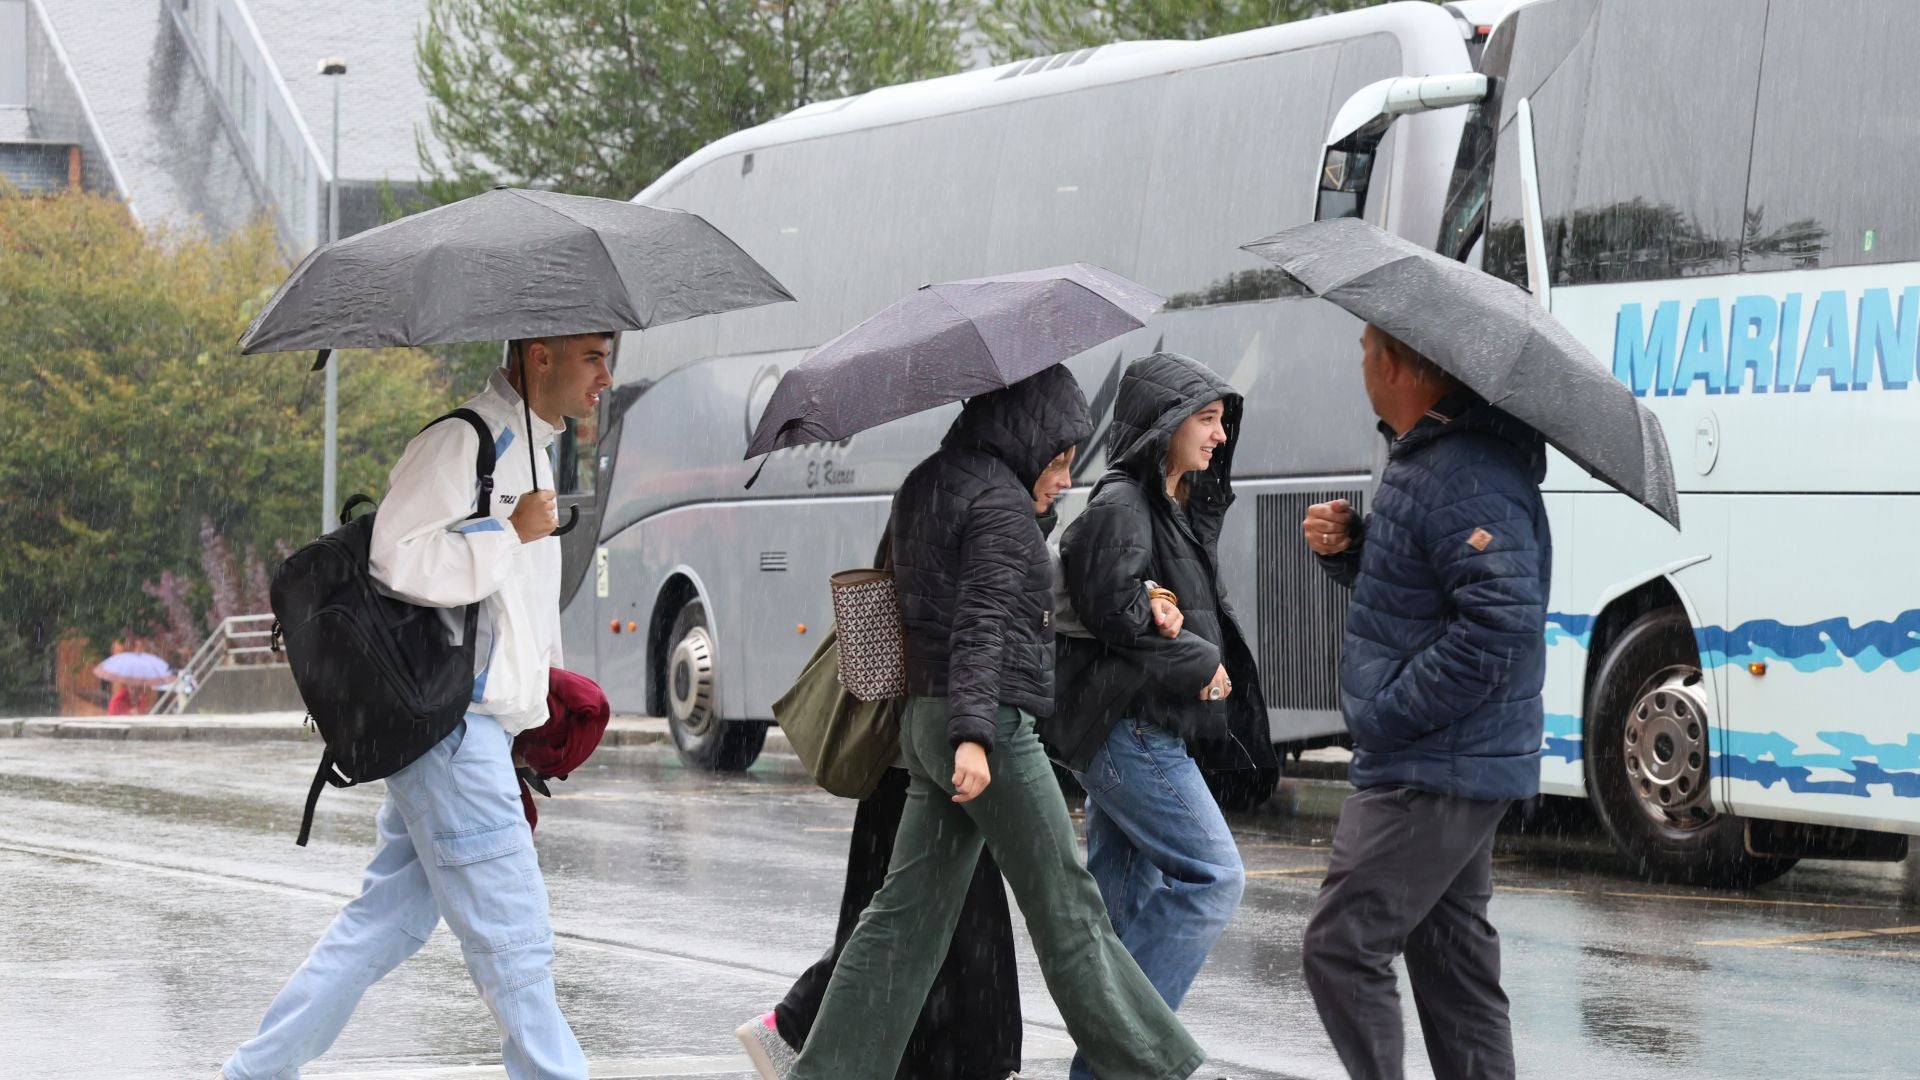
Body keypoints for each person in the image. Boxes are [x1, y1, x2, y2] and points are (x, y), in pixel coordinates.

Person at [782, 366, 1204, 1080]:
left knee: (903, 920)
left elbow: (933, 607)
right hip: (988, 728)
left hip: (922, 720)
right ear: (1027, 436)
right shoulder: (1001, 508)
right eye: (1061, 456)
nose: (1066, 476)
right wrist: (976, 736)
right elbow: (978, 626)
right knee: (1068, 909)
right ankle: (1158, 1069)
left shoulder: (927, 484)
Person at [217, 333, 615, 1080]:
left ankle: (254, 1072)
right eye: (592, 355)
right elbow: (396, 558)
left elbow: (516, 611)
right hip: (453, 730)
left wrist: (535, 716)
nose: (605, 375)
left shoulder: (534, 451)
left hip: (475, 733)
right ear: (541, 357)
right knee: (515, 944)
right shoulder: (463, 441)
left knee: (385, 924)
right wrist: (507, 531)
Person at [1297, 324, 1550, 1080]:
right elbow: (1430, 591)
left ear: (1404, 366)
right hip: (1449, 759)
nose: (1362, 361)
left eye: (1369, 347)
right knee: (1453, 968)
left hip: (1431, 762)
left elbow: (1501, 621)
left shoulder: (1462, 469)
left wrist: (1393, 709)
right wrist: (1354, 549)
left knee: (1342, 948)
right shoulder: (1436, 462)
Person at [1047, 352, 1277, 1080]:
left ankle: (1101, 1071)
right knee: (1213, 878)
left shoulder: (1171, 507)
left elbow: (1152, 614)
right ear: (1164, 425)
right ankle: (1136, 1057)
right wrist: (1201, 664)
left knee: (1117, 917)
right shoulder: (1122, 506)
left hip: (1140, 724)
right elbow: (1112, 621)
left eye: (1220, 423)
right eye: (1205, 421)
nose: (1218, 437)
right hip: (1130, 729)